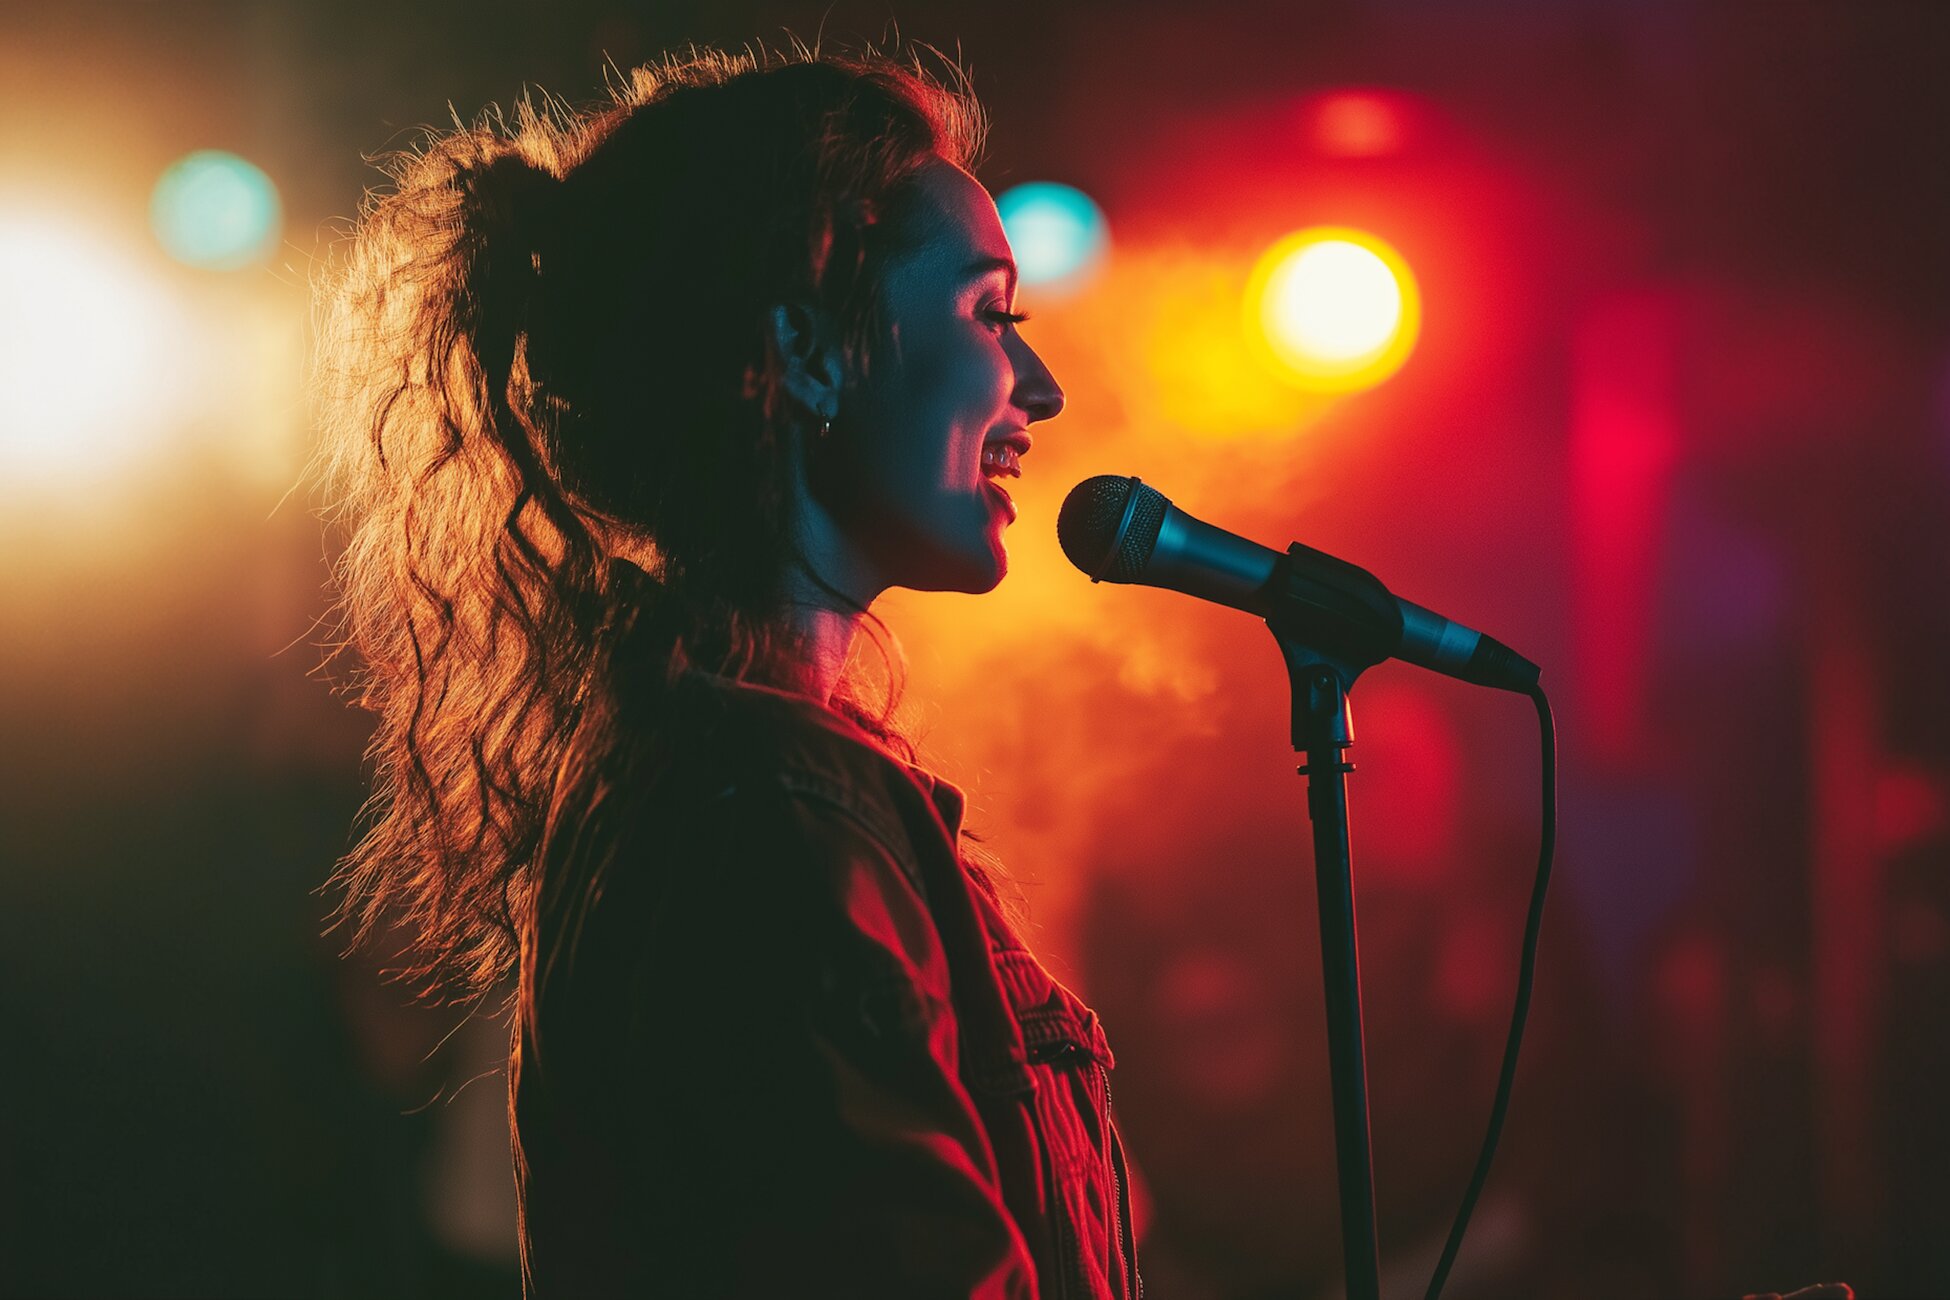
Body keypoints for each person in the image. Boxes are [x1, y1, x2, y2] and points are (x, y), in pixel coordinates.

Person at [312, 40, 1139, 1299]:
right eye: (990, 314)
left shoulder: (721, 775)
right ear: (804, 347)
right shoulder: (769, 813)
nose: (1041, 385)